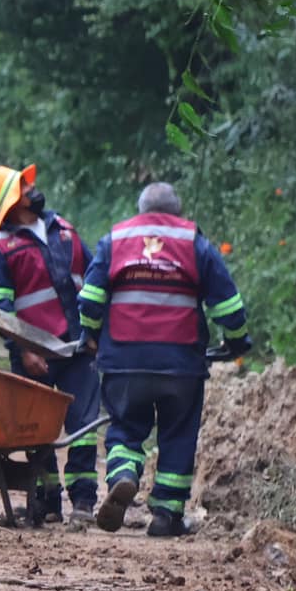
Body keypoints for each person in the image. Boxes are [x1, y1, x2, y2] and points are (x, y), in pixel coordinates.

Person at [78, 182, 249, 538]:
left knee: (125, 427)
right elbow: (227, 304)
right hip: (180, 364)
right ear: (177, 210)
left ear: (141, 209)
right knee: (177, 434)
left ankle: (124, 474)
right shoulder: (194, 243)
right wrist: (236, 342)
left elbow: (91, 298)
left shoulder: (115, 240)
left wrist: (90, 334)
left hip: (124, 360)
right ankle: (166, 516)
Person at [0, 163, 99, 523]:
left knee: (83, 426)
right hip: (34, 352)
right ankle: (46, 502)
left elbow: (94, 282)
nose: (33, 187)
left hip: (78, 347)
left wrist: (95, 333)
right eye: (24, 185)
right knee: (37, 430)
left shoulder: (64, 230)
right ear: (14, 201)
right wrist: (23, 350)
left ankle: (83, 503)